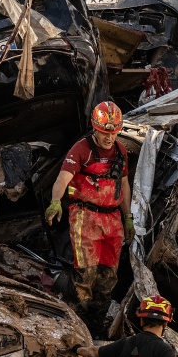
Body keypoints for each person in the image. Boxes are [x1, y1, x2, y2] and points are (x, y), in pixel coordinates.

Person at [45, 101, 135, 320]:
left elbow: (123, 184)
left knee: (108, 274)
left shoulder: (120, 150)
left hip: (112, 219)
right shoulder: (81, 150)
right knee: (86, 271)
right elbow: (62, 178)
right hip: (86, 216)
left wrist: (128, 217)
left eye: (113, 133)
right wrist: (56, 201)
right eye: (105, 132)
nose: (109, 138)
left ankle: (97, 318)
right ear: (95, 128)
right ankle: (78, 317)